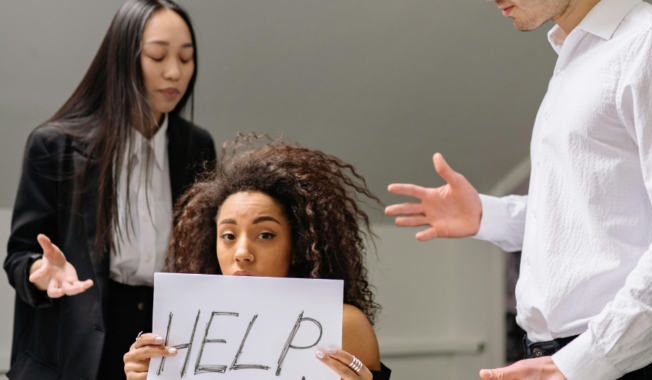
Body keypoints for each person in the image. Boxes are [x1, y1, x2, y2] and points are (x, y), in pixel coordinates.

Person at [385, 0, 652, 379]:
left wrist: (585, 362)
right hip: (560, 354)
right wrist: (485, 216)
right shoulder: (576, 50)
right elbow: (592, 214)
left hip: (623, 357)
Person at [3, 1, 216, 379]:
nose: (174, 72)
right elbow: (20, 255)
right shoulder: (54, 146)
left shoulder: (195, 146)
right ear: (123, 58)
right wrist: (40, 270)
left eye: (186, 59)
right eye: (157, 56)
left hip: (160, 338)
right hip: (74, 344)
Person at [123, 136, 392, 380]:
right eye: (228, 236)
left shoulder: (342, 324)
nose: (242, 253)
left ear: (298, 246)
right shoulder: (182, 328)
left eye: (265, 235)